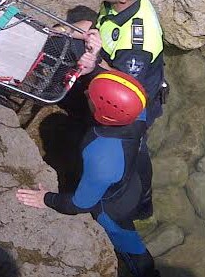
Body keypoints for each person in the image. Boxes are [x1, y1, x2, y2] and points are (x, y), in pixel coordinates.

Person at [16, 70, 160, 277]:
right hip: (135, 180)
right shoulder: (138, 110)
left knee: (133, 251)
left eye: (90, 95)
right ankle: (145, 212)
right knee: (139, 199)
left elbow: (80, 204)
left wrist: (46, 199)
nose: (85, 92)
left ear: (106, 113)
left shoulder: (101, 155)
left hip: (112, 207)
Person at [78, 0, 165, 217]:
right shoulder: (121, 1)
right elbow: (106, 24)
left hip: (135, 100)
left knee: (135, 149)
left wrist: (94, 62)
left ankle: (141, 203)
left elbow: (124, 86)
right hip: (117, 65)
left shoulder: (137, 42)